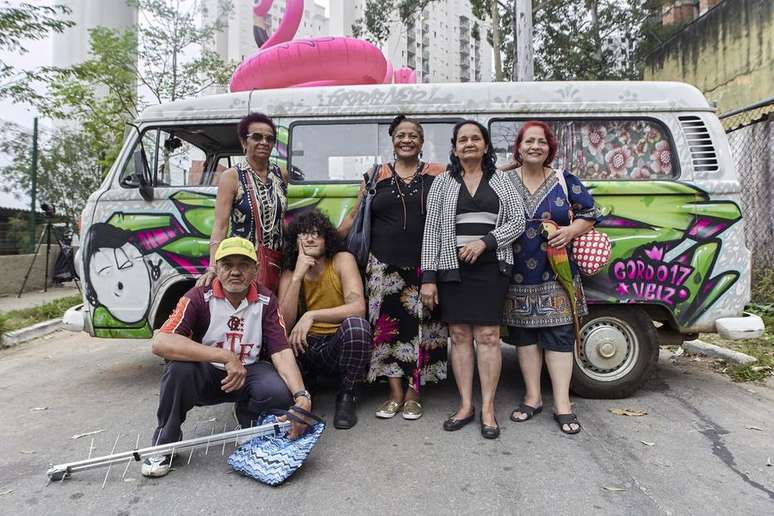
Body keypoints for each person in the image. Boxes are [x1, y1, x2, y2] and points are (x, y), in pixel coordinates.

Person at [143, 237, 312, 478]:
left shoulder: (266, 301)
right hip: (208, 374)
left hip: (248, 374)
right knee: (178, 369)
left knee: (277, 389)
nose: (235, 272)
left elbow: (281, 351)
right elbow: (161, 342)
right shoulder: (198, 297)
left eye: (243, 265)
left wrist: (301, 395)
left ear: (255, 270)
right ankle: (165, 441)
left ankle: (249, 417)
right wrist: (224, 356)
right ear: (217, 269)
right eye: (227, 264)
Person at [338, 115, 448, 421]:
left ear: (422, 141)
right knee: (387, 332)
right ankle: (395, 393)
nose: (407, 140)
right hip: (382, 267)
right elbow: (355, 215)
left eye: (413, 135)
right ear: (393, 140)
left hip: (425, 266)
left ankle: (414, 394)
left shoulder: (438, 174)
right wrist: (329, 241)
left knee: (422, 331)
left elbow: (474, 174)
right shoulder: (375, 175)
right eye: (401, 135)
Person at [420, 120, 525, 439]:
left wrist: (486, 242)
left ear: (485, 146)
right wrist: (429, 277)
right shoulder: (442, 182)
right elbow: (432, 231)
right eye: (462, 139)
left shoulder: (502, 180)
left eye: (475, 138)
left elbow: (518, 220)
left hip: (491, 268)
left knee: (489, 336)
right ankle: (466, 405)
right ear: (454, 148)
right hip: (453, 269)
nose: (469, 144)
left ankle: (489, 408)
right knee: (461, 336)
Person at [500, 121, 601, 435]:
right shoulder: (503, 180)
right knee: (525, 339)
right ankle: (532, 398)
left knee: (559, 339)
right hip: (515, 274)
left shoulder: (563, 179)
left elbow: (592, 212)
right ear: (519, 147)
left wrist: (571, 230)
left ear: (549, 148)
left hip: (557, 274)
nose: (535, 147)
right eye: (528, 141)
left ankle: (562, 404)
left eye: (541, 142)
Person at [278, 209, 372, 430]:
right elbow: (284, 324)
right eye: (303, 233)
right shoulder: (290, 272)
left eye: (316, 233)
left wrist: (312, 315)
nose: (310, 238)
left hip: (336, 345)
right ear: (295, 240)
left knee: (357, 327)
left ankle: (346, 395)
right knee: (276, 340)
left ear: (326, 238)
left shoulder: (341, 260)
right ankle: (305, 386)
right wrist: (298, 275)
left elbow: (358, 308)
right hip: (305, 346)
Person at [198, 112, 287, 293]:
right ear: (244, 142)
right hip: (244, 263)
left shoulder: (281, 174)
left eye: (269, 139)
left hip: (277, 262)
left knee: (272, 313)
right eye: (257, 137)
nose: (264, 142)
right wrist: (213, 266)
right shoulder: (232, 176)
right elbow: (220, 226)